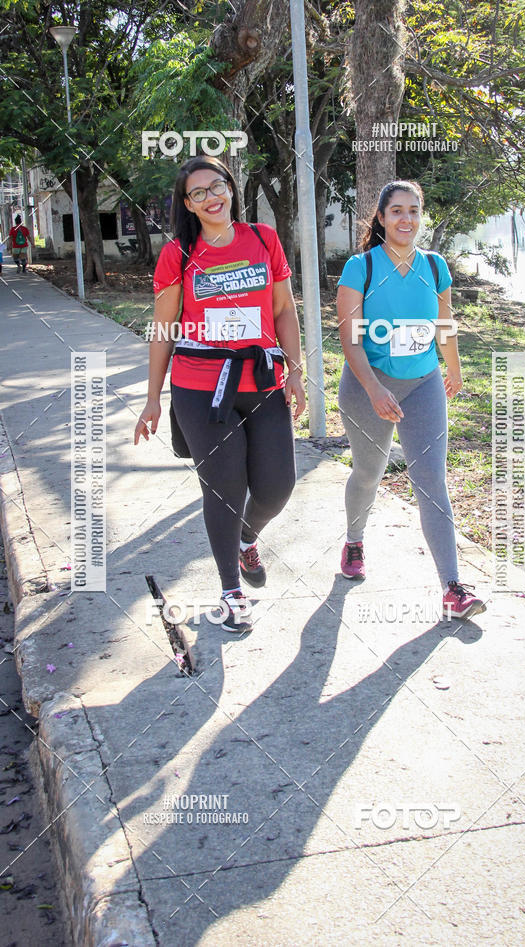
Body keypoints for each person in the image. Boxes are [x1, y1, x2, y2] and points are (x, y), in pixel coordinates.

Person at [134, 156, 305, 632]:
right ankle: (231, 591)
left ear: (231, 187)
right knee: (225, 487)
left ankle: (248, 538)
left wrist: (296, 371)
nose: (211, 197)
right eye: (198, 193)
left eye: (218, 186)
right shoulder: (178, 253)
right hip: (200, 387)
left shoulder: (263, 239)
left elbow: (285, 311)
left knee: (277, 486)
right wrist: (153, 397)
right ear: (187, 204)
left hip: (263, 381)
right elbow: (164, 328)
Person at [336, 179, 485, 620]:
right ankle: (354, 540)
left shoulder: (435, 266)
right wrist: (374, 388)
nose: (407, 219)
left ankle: (453, 588)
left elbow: (445, 323)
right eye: (397, 211)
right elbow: (350, 340)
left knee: (431, 481)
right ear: (381, 218)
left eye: (414, 210)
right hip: (368, 386)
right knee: (368, 472)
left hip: (423, 384)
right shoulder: (360, 268)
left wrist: (453, 368)